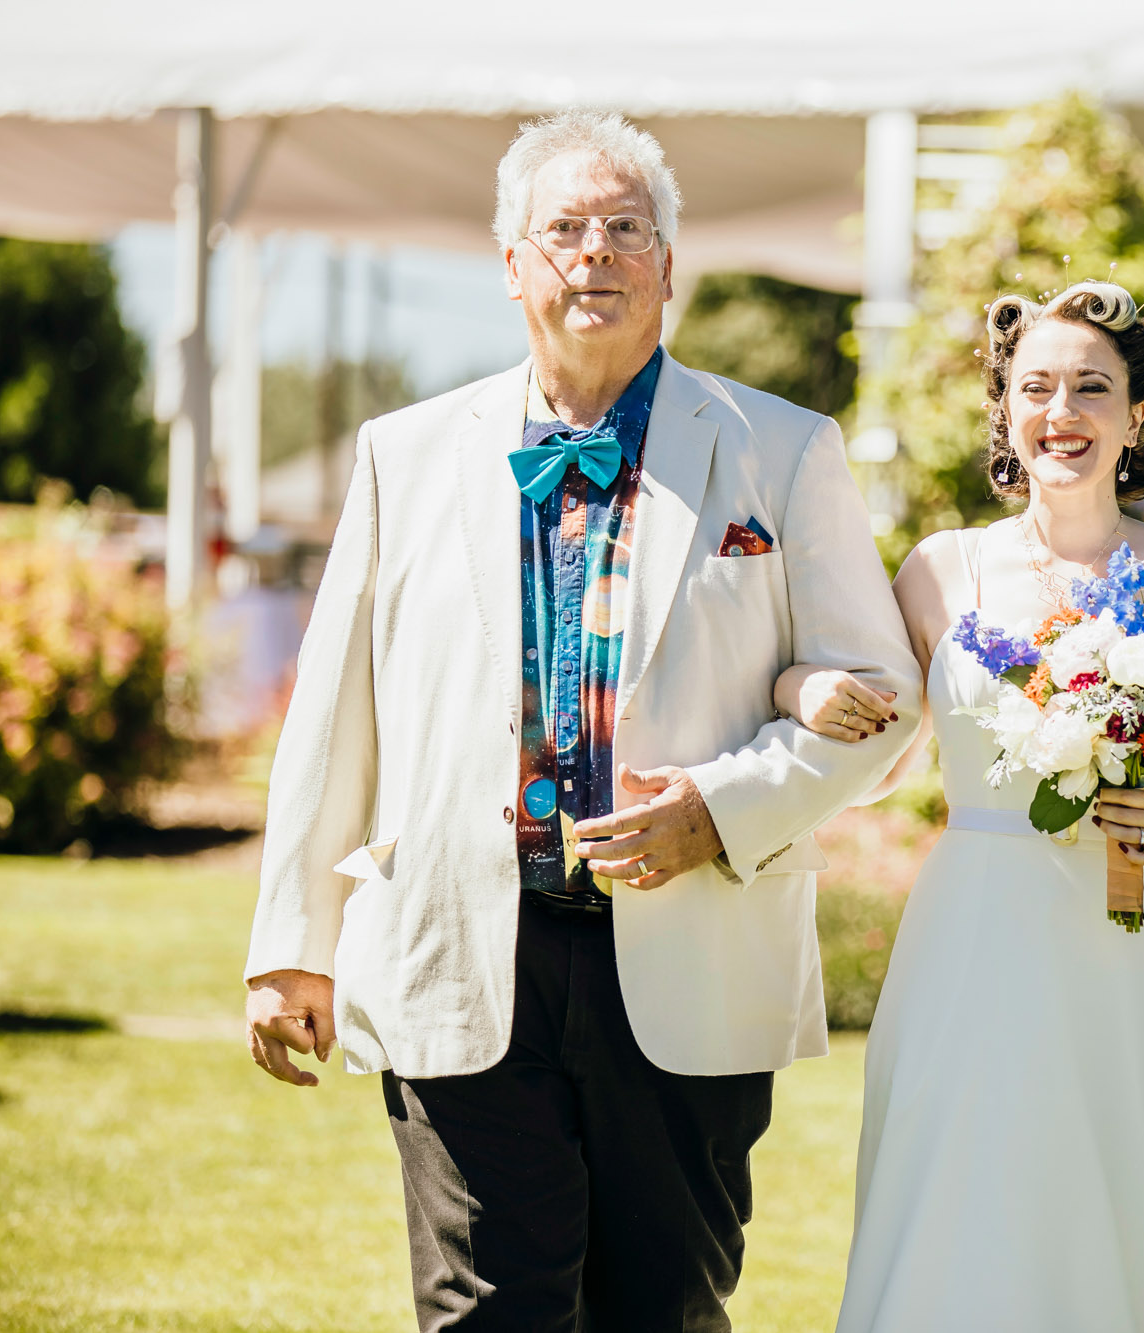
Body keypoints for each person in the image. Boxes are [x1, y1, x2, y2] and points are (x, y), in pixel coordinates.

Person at [241, 110, 920, 1333]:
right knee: (483, 1314)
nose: (593, 253)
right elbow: (334, 714)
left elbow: (881, 698)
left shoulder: (782, 448)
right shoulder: (404, 455)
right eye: (562, 229)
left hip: (692, 949)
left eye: (624, 229)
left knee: (659, 1311)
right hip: (460, 943)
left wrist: (719, 813)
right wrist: (295, 939)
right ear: (511, 265)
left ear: (669, 266)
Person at [776, 282, 1144, 1332]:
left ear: (1136, 417)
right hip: (978, 936)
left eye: (1091, 388)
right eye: (1037, 387)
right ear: (1006, 412)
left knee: (1143, 1185)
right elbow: (842, 690)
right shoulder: (940, 569)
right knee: (972, 1192)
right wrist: (799, 692)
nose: (1062, 410)